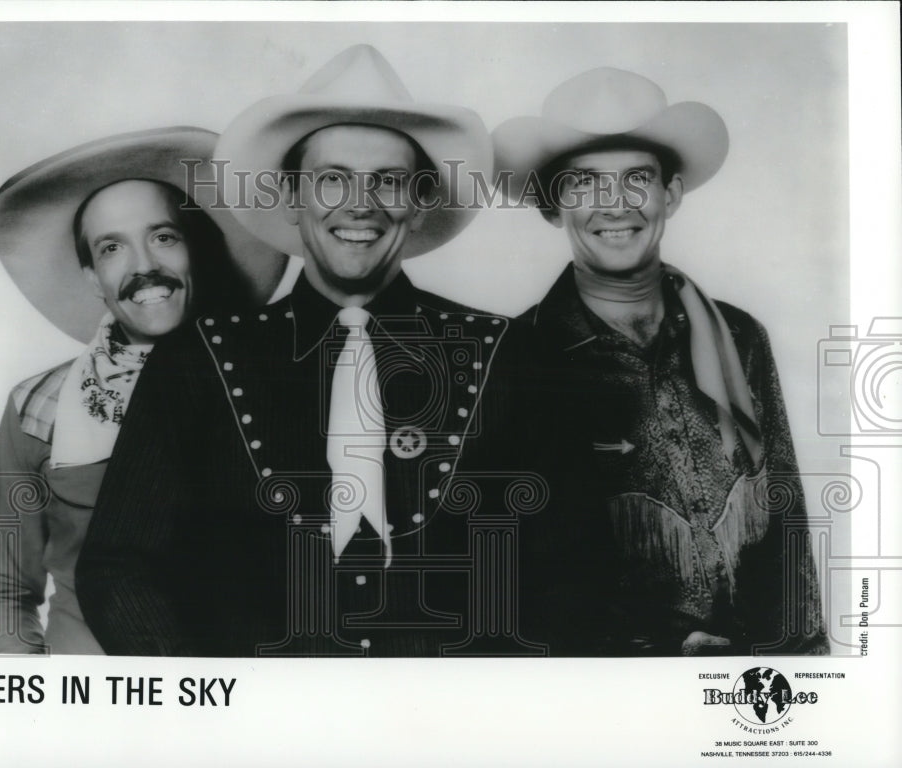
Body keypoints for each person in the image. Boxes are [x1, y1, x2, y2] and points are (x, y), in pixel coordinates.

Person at [77, 45, 607, 657]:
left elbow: (578, 571)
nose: (361, 203)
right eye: (333, 179)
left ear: (418, 203)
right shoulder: (198, 360)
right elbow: (118, 566)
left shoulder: (510, 355)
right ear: (292, 199)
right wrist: (218, 718)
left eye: (388, 181)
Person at [492, 67, 828, 655]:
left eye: (636, 179)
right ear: (552, 205)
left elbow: (785, 521)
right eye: (584, 183)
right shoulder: (517, 357)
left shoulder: (739, 335)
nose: (614, 204)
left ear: (669, 194)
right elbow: (519, 575)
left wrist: (804, 664)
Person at [0, 127, 286, 653]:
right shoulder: (36, 409)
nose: (144, 266)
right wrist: (39, 698)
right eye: (112, 248)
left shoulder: (273, 387)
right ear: (92, 276)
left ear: (196, 251)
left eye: (164, 237)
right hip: (93, 710)